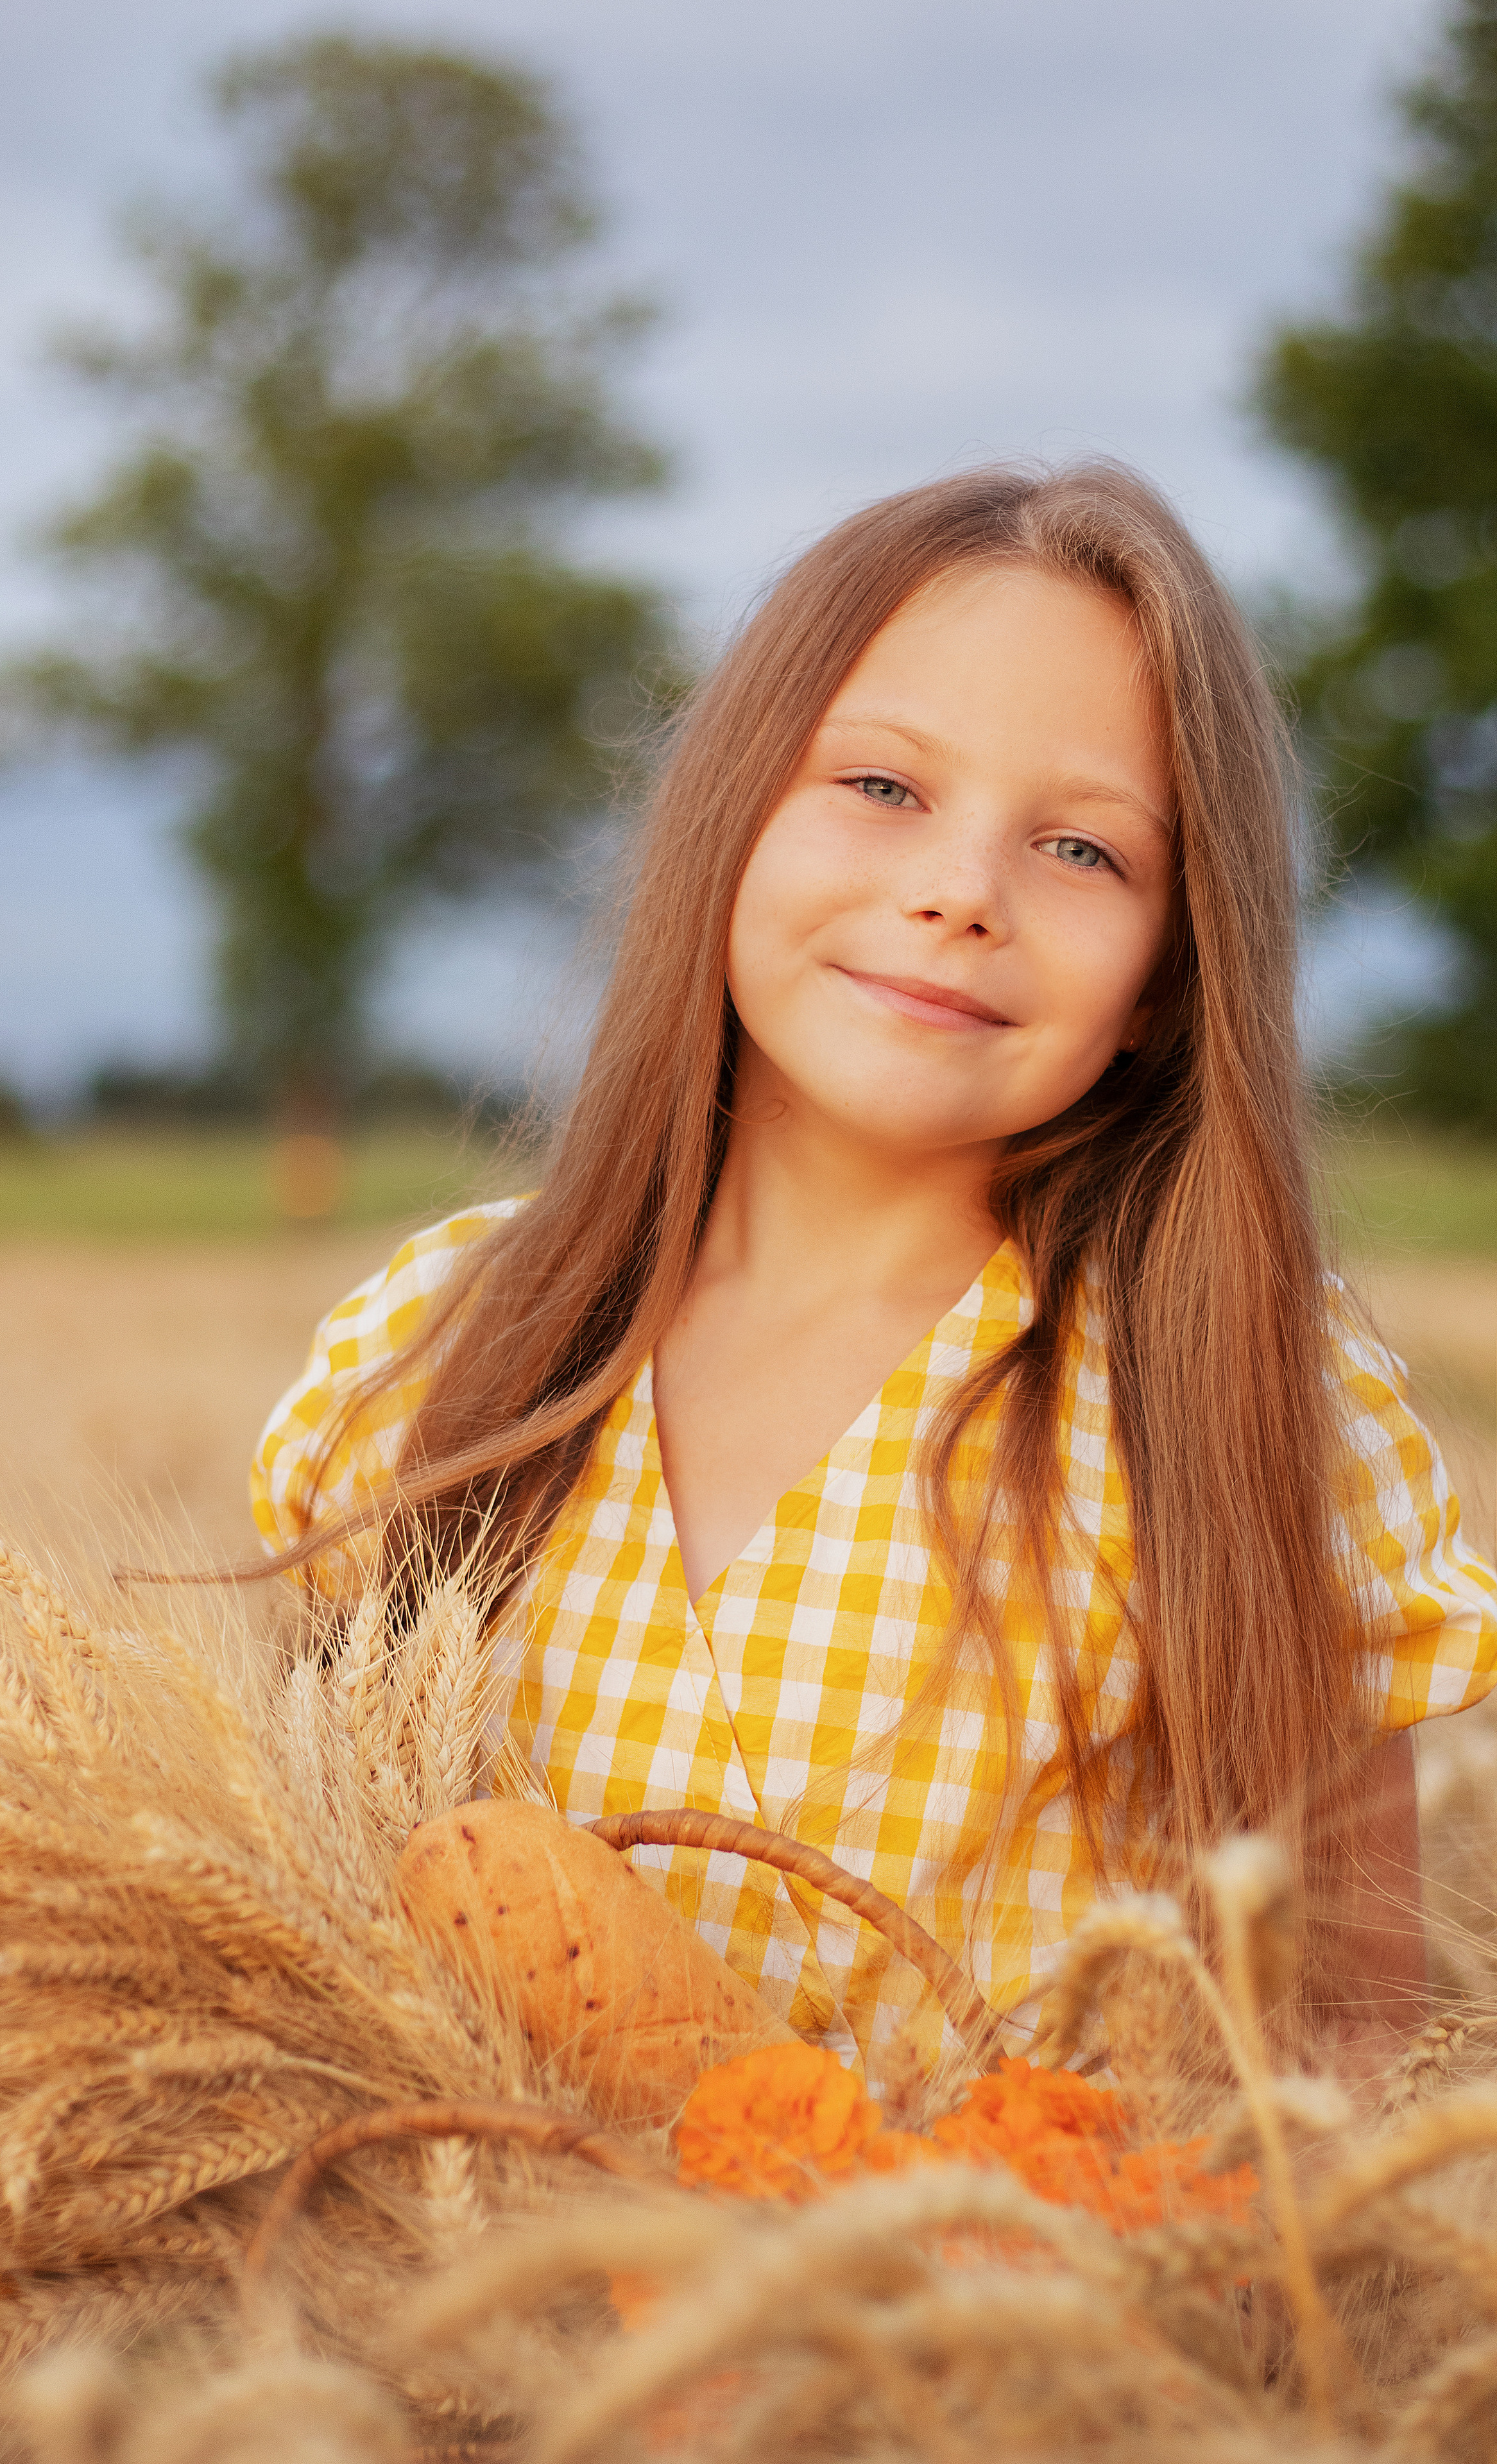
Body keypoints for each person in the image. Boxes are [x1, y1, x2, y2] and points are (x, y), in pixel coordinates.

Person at [252, 462, 1497, 2088]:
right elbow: (279, 1950)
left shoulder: (1244, 1385)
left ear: (1162, 982)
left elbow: (1343, 2058)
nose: (956, 894)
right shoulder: (433, 1348)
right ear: (728, 818)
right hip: (472, 2319)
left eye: (1079, 849)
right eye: (882, 789)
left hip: (1015, 2325)